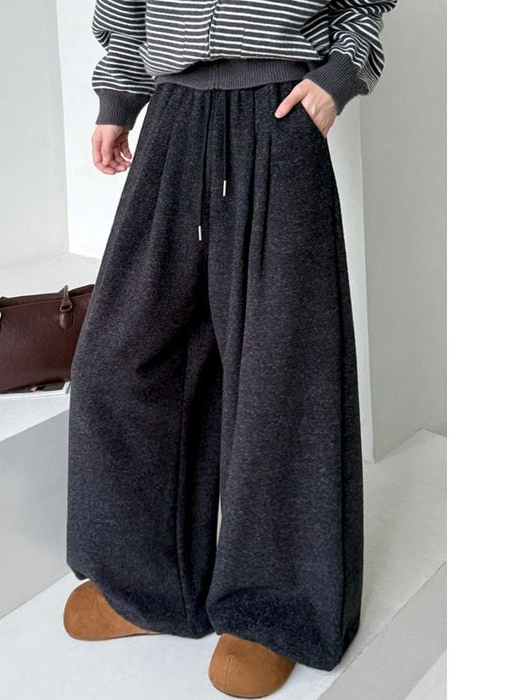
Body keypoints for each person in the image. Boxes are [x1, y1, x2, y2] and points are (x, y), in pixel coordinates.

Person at [64, 1, 397, 696]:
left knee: (283, 367)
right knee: (122, 355)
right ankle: (148, 584)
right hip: (174, 113)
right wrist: (118, 99)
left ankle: (272, 610)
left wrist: (339, 75)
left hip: (281, 109)